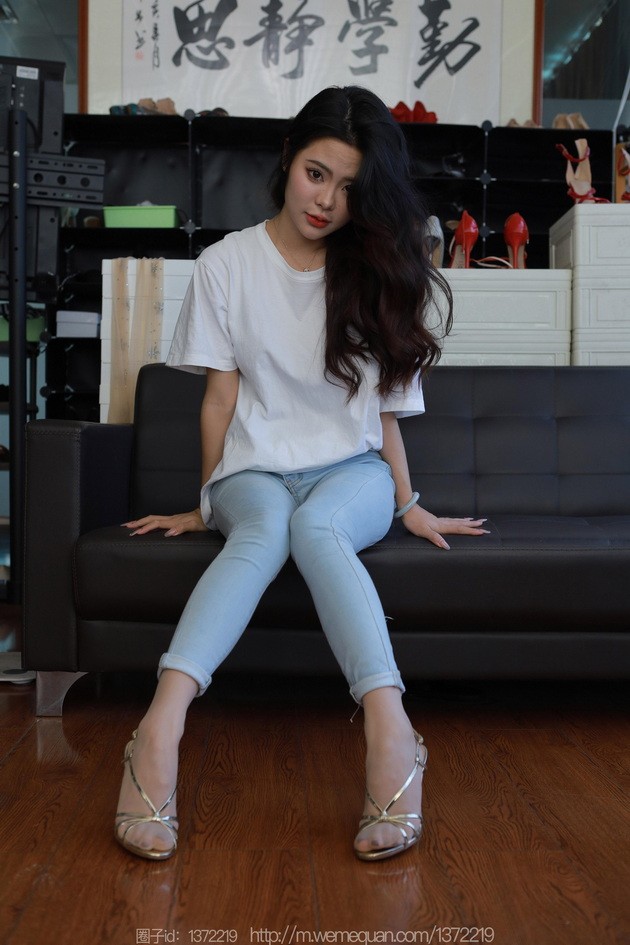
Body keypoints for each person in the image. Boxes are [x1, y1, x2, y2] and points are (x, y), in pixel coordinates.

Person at [114, 85, 488, 864]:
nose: (327, 201)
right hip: (253, 472)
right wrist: (206, 499)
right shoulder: (226, 264)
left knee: (315, 524)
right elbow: (219, 399)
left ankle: (391, 732)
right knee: (265, 525)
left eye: (349, 187)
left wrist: (409, 503)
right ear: (288, 157)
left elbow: (384, 416)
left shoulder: (375, 270)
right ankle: (159, 729)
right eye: (317, 174)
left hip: (351, 473)